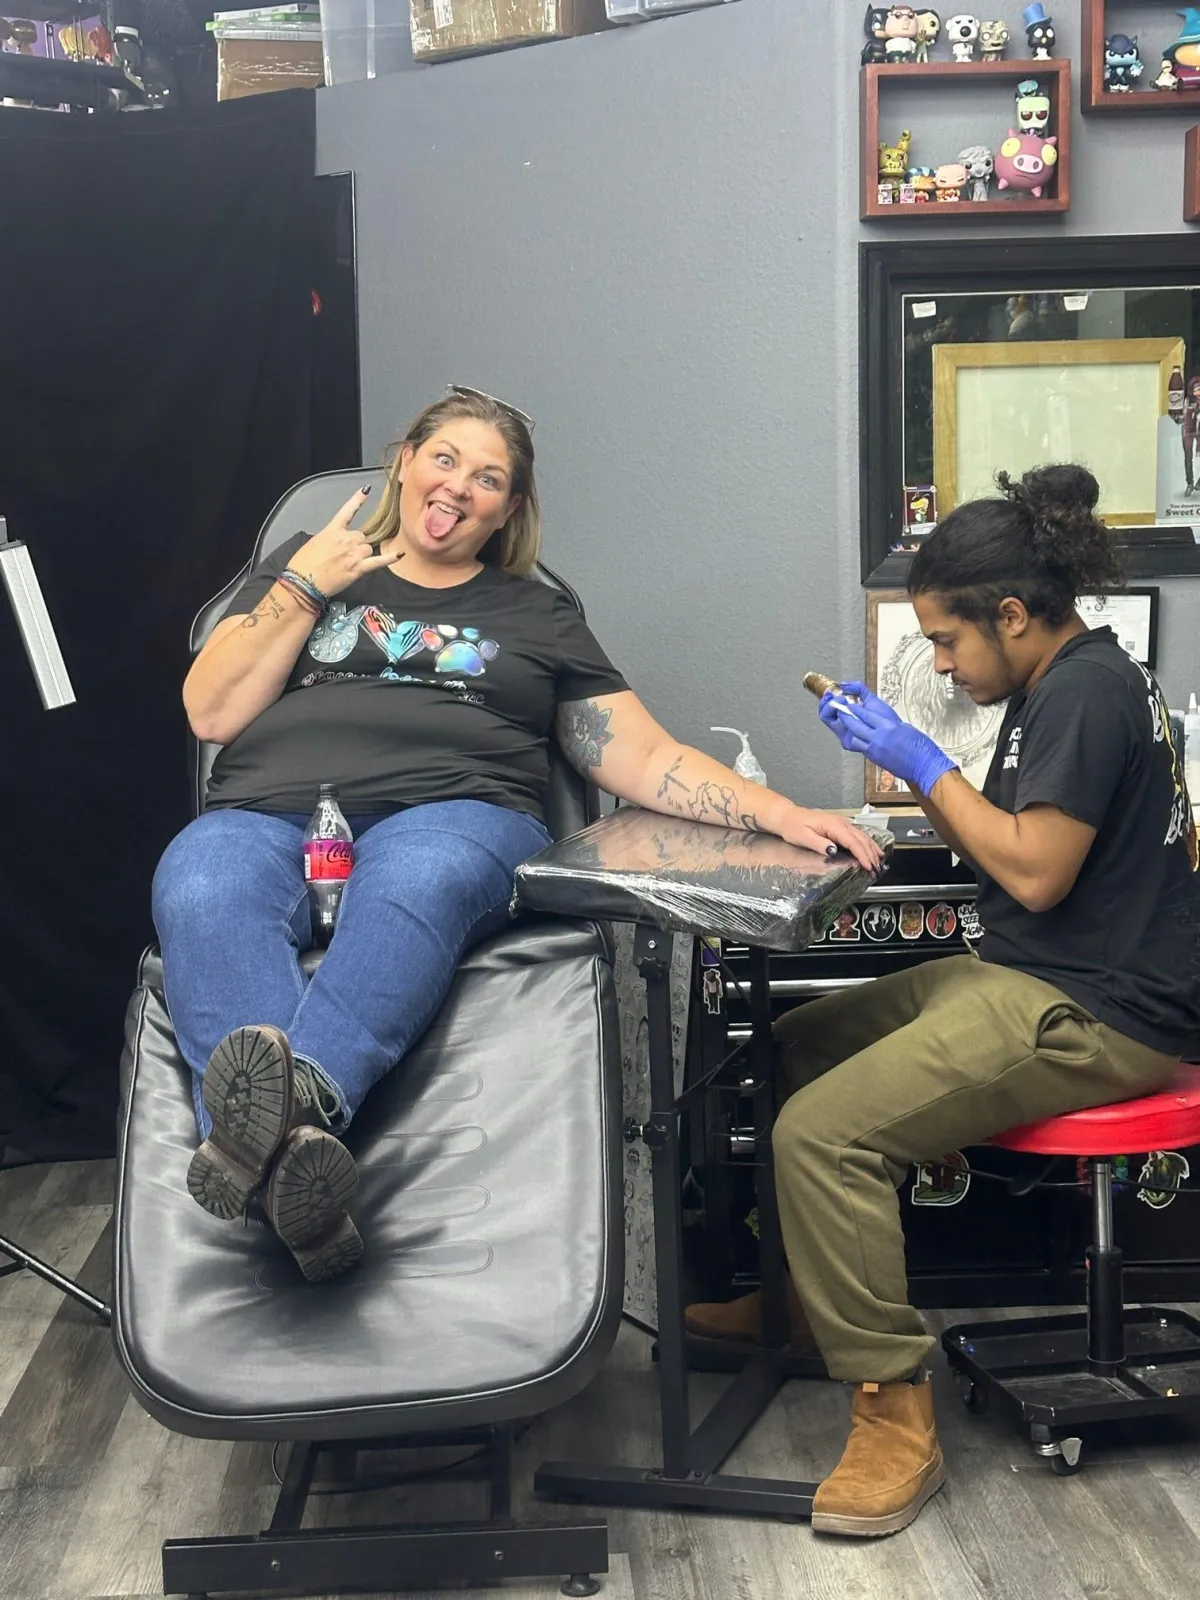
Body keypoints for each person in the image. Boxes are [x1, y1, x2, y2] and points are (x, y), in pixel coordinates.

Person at [152, 386, 881, 1285]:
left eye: (488, 478)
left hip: (455, 814)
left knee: (417, 875)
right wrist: (307, 582)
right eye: (446, 459)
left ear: (509, 509)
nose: (459, 487)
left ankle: (282, 1114)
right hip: (266, 816)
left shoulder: (536, 618)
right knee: (197, 879)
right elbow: (209, 708)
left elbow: (641, 755)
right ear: (405, 461)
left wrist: (780, 812)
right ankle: (293, 1170)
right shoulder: (306, 571)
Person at [687, 463, 1200, 1538]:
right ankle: (809, 1301)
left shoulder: (1089, 693)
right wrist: (921, 772)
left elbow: (1035, 871)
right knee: (798, 1044)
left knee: (822, 1135)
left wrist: (920, 761)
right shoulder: (1061, 683)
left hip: (1100, 1015)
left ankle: (893, 1414)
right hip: (1035, 976)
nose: (941, 659)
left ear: (1013, 616)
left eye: (948, 640)